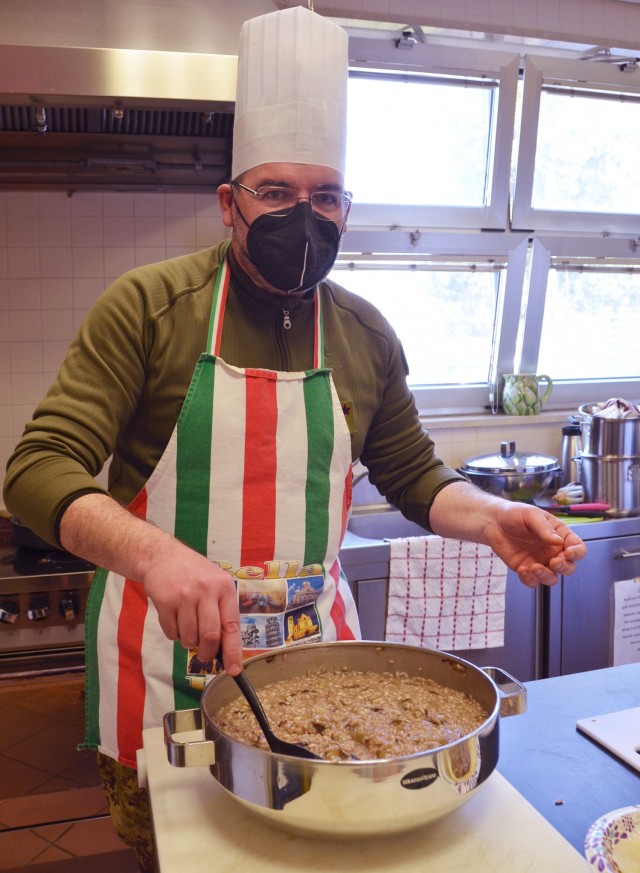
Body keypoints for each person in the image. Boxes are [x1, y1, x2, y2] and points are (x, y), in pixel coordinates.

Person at [2, 7, 586, 872]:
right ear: (229, 202)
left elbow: (415, 473)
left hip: (322, 677)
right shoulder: (148, 307)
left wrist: (491, 516)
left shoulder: (364, 333)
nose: (302, 217)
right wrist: (159, 557)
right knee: (179, 853)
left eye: (325, 197)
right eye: (276, 193)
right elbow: (36, 471)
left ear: (347, 207)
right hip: (162, 668)